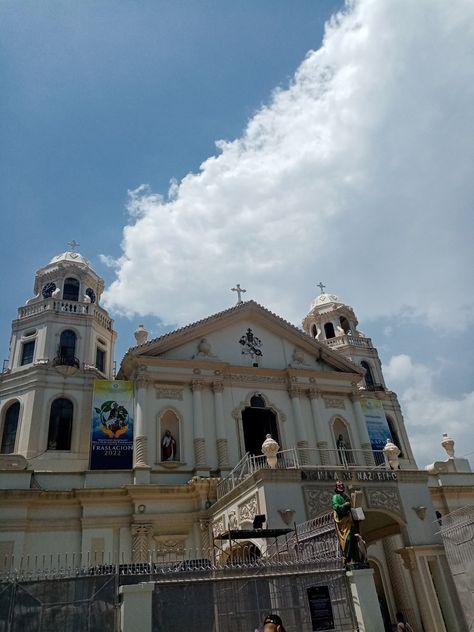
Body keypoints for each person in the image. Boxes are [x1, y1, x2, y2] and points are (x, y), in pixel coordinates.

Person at [332, 480, 359, 566]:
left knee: (355, 538)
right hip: (342, 521)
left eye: (342, 485)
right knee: (348, 538)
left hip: (349, 520)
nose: (341, 487)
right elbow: (336, 506)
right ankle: (347, 557)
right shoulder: (335, 497)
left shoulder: (346, 496)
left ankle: (355, 558)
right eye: (339, 486)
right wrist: (344, 505)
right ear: (336, 488)